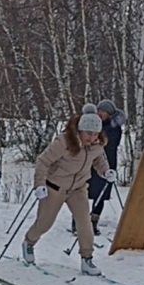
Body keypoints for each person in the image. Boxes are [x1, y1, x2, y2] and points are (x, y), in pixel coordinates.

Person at [21, 104, 117, 276]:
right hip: (55, 187)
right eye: (89, 133)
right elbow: (43, 161)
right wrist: (40, 185)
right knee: (45, 223)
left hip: (78, 188)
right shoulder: (64, 142)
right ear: (80, 130)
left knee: (84, 222)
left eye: (96, 134)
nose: (93, 137)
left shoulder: (97, 144)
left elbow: (98, 160)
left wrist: (106, 171)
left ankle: (87, 258)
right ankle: (29, 242)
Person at [82, 99, 126, 236]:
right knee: (82, 190)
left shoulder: (114, 127)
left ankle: (94, 220)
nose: (101, 114)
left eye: (104, 112)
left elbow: (109, 143)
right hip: (90, 161)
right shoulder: (93, 124)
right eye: (99, 111)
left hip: (107, 161)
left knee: (101, 193)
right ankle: (78, 220)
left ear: (110, 114)